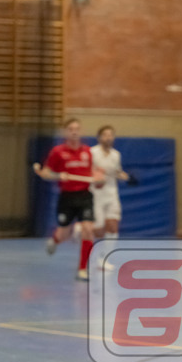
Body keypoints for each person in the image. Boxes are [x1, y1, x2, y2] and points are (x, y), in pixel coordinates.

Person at [34, 118, 98, 281]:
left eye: (77, 129)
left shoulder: (87, 152)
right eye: (71, 129)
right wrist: (57, 175)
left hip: (85, 196)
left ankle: (83, 269)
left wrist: (98, 179)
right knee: (64, 233)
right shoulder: (57, 152)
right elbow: (46, 173)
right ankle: (54, 240)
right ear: (65, 132)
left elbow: (94, 172)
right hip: (67, 198)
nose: (74, 132)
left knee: (88, 230)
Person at [89, 125, 130, 256]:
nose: (108, 138)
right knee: (99, 229)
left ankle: (105, 256)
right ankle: (93, 250)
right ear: (99, 137)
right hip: (96, 195)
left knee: (113, 226)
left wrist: (122, 175)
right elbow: (86, 171)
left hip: (112, 194)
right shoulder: (92, 153)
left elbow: (117, 171)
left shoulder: (116, 155)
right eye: (105, 135)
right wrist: (95, 176)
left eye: (111, 135)